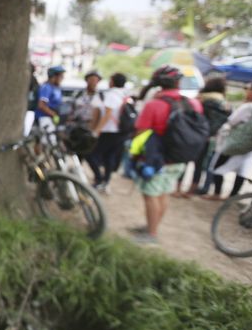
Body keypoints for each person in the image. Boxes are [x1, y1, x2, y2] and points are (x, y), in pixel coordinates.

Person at [130, 65, 203, 244]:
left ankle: (152, 234)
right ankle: (152, 227)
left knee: (150, 196)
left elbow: (141, 133)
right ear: (178, 82)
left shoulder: (154, 105)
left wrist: (136, 155)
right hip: (180, 158)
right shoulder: (193, 103)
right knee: (163, 194)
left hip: (158, 160)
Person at [201, 78, 252, 199]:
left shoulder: (249, 107)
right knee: (242, 170)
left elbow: (232, 121)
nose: (247, 92)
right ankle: (233, 196)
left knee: (217, 167)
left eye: (249, 89)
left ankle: (217, 193)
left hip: (235, 143)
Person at [183, 77, 231, 197]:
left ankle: (182, 188)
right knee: (204, 164)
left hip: (197, 134)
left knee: (186, 161)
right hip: (214, 138)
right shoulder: (226, 104)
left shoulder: (202, 99)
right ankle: (195, 188)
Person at [87, 72, 130, 192]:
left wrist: (96, 130)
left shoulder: (110, 95)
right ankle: (106, 181)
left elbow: (107, 114)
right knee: (109, 157)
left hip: (108, 131)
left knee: (91, 154)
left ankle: (99, 179)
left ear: (112, 81)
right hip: (121, 132)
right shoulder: (124, 95)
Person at [35, 65, 66, 132]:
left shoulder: (57, 88)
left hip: (53, 118)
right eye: (61, 76)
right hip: (44, 118)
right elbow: (41, 105)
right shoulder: (46, 87)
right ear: (54, 76)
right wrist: (54, 115)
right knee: (49, 140)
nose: (62, 78)